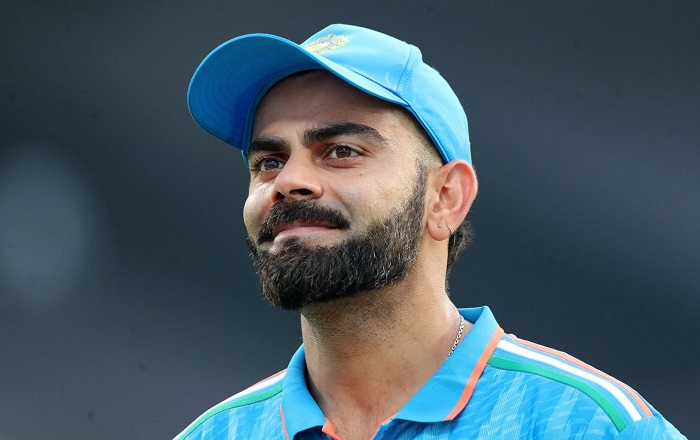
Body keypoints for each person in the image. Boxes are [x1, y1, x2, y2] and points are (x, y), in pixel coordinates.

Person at [175, 24, 685, 440]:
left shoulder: (590, 426)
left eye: (341, 151)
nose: (288, 182)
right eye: (269, 161)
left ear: (445, 198)